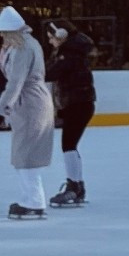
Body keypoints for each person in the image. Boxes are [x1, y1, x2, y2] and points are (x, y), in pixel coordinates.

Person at [0, 6, 56, 219]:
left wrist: (0, 110)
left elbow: (16, 82)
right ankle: (30, 199)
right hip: (26, 104)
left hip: (31, 105)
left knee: (27, 155)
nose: (1, 36)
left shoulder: (24, 47)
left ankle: (34, 202)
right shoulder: (21, 45)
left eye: (3, 32)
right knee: (23, 154)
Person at [45, 21, 97, 205]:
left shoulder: (69, 54)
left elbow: (50, 73)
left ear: (61, 34)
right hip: (78, 103)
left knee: (69, 145)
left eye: (51, 37)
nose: (50, 42)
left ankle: (75, 187)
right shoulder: (71, 51)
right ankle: (76, 186)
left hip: (79, 103)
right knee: (69, 145)